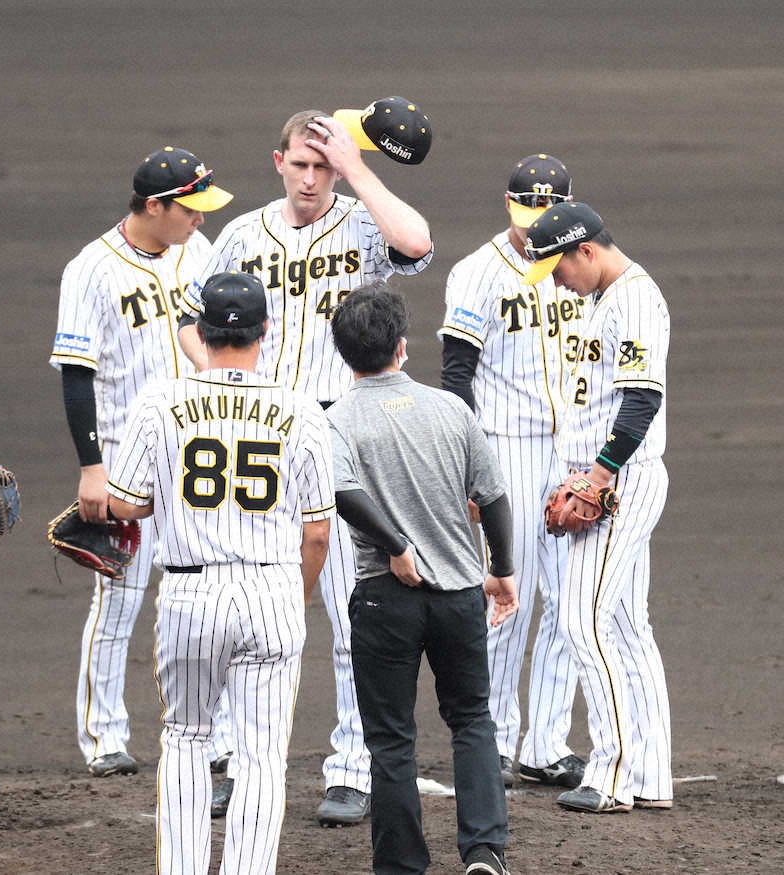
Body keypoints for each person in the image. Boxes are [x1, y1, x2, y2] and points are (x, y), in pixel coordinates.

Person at [178, 98, 434, 825]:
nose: (313, 178)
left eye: (325, 166)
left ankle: (351, 767)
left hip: (335, 426)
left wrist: (360, 168)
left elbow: (416, 243)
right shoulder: (239, 235)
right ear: (279, 162)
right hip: (256, 433)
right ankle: (225, 756)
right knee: (238, 596)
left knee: (353, 609)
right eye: (303, 163)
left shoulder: (361, 221)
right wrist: (228, 382)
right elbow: (193, 321)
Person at [105, 271, 334, 875]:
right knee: (261, 756)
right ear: (265, 331)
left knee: (185, 739)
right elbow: (318, 531)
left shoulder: (162, 400)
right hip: (272, 588)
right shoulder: (301, 408)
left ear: (199, 333)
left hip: (189, 593)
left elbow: (125, 504)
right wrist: (296, 596)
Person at [50, 146, 233, 777]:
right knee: (120, 597)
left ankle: (218, 735)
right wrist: (91, 466)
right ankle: (105, 737)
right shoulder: (91, 270)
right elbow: (77, 375)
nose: (200, 220)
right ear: (154, 205)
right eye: (191, 208)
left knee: (210, 593)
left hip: (201, 451)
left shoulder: (200, 254)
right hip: (127, 459)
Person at [327, 281, 518, 875]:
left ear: (343, 354)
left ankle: (402, 866)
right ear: (403, 348)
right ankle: (484, 851)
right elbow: (493, 499)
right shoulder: (451, 409)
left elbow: (344, 493)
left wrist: (395, 545)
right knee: (472, 720)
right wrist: (503, 572)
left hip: (385, 600)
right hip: (460, 596)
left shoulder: (337, 419)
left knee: (389, 742)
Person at [438, 154, 587, 789]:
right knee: (507, 596)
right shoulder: (477, 273)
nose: (535, 228)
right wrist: (473, 468)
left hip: (575, 449)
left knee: (570, 599)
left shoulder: (584, 263)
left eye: (548, 215)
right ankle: (494, 735)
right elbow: (455, 377)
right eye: (527, 214)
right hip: (509, 450)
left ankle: (546, 742)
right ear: (507, 203)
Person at [521, 201, 672, 813]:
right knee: (628, 629)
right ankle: (651, 777)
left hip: (617, 483)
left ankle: (611, 776)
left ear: (586, 251)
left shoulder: (633, 301)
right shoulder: (606, 298)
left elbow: (640, 400)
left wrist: (600, 474)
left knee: (583, 620)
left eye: (558, 267)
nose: (555, 280)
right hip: (613, 479)